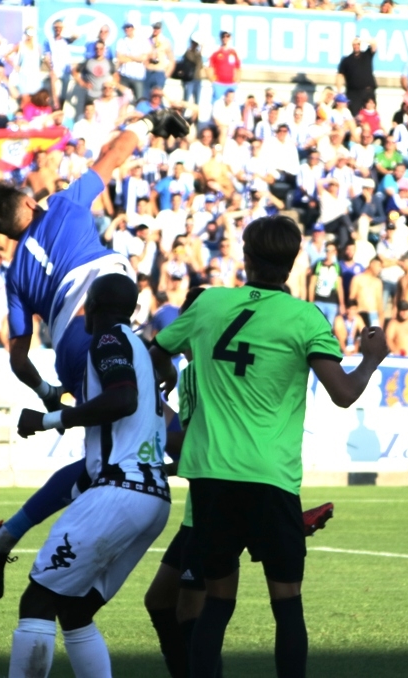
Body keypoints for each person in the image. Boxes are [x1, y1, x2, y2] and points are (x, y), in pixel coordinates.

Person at [149, 215, 389, 678]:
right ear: (295, 260)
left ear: (246, 256)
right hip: (270, 477)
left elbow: (156, 354)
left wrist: (168, 384)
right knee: (287, 605)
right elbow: (343, 393)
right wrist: (371, 359)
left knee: (215, 603)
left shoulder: (210, 303)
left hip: (211, 477)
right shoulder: (304, 317)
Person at [0, 109, 191, 598]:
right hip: (99, 326)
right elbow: (114, 154)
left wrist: (51, 392)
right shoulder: (66, 207)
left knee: (135, 440)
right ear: (29, 200)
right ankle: (245, 506)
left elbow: (19, 358)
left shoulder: (14, 279)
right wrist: (147, 124)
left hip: (74, 344)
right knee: (129, 444)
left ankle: (5, 536)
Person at [7, 274, 171, 677]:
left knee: (37, 602)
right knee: (76, 609)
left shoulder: (108, 339)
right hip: (153, 497)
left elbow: (122, 399)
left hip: (120, 491)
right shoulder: (140, 349)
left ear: (92, 307)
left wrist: (49, 420)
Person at [336, 37, 376, 117]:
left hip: (367, 92)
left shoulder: (367, 55)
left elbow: (374, 44)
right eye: (354, 44)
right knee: (354, 116)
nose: (356, 46)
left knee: (370, 115)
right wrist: (339, 92)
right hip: (353, 94)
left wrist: (362, 40)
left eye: (358, 44)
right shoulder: (346, 60)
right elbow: (340, 76)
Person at [208, 30, 240, 102]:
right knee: (216, 104)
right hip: (219, 84)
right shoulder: (216, 52)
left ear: (230, 38)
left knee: (231, 106)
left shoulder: (234, 52)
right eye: (223, 36)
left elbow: (238, 67)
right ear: (220, 38)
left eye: (227, 36)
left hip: (231, 84)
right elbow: (210, 67)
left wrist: (237, 80)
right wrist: (213, 80)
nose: (225, 38)